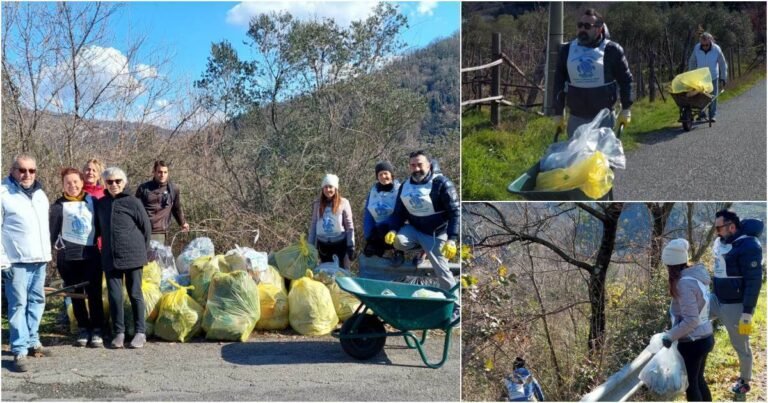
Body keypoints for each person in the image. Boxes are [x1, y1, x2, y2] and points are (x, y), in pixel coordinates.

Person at [1, 154, 52, 372]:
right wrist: (3, 262)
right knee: (18, 305)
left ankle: (33, 341)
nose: (27, 174)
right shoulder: (3, 193)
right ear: (12, 170)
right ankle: (19, 349)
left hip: (40, 259)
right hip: (17, 261)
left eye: (32, 170)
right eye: (22, 170)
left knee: (37, 301)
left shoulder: (41, 194)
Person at [385, 150, 460, 291]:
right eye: (413, 165)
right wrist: (393, 229)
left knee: (442, 271)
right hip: (415, 229)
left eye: (420, 164)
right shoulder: (405, 186)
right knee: (398, 241)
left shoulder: (442, 184)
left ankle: (453, 303)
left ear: (429, 165)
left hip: (436, 233)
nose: (416, 169)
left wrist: (452, 239)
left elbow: (455, 212)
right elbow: (398, 213)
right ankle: (422, 249)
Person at [553, 8, 633, 137]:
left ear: (599, 29)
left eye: (587, 26)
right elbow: (558, 82)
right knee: (577, 156)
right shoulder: (567, 50)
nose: (582, 29)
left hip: (604, 117)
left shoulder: (612, 50)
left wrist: (626, 109)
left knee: (602, 156)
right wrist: (558, 113)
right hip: (576, 118)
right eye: (580, 25)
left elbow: (626, 80)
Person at [96, 167, 151, 349]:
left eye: (118, 181)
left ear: (124, 182)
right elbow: (97, 229)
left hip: (133, 255)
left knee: (135, 293)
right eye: (110, 182)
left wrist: (143, 251)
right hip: (110, 257)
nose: (114, 185)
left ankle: (140, 332)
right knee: (114, 296)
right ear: (105, 183)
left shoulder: (133, 202)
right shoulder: (101, 203)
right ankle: (118, 332)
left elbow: (146, 228)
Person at [49, 168, 104, 348]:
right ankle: (83, 327)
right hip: (69, 258)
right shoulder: (58, 206)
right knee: (76, 294)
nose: (72, 185)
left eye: (75, 182)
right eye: (68, 183)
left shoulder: (93, 201)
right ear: (63, 185)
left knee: (94, 293)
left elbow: (100, 226)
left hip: (91, 254)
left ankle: (97, 329)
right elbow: (52, 232)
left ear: (82, 182)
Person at [709, 209, 763, 395]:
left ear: (731, 226)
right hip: (716, 298)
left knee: (741, 345)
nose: (716, 231)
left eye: (719, 227)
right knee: (692, 316)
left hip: (736, 305)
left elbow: (754, 281)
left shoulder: (749, 246)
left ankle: (744, 381)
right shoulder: (722, 242)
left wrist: (747, 312)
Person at [660, 238, 714, 402]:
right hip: (705, 336)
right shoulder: (697, 277)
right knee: (698, 380)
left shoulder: (684, 283)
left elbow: (691, 320)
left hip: (693, 341)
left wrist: (670, 335)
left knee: (691, 385)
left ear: (671, 264)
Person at [135, 160, 189, 244]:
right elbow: (135, 210)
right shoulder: (143, 188)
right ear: (154, 172)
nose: (162, 175)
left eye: (165, 172)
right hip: (143, 231)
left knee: (158, 257)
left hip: (160, 233)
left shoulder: (173, 189)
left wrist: (182, 223)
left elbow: (176, 208)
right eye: (159, 172)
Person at [308, 174, 355, 269]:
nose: (328, 190)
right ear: (322, 188)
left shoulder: (343, 203)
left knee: (340, 274)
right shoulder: (317, 203)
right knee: (325, 274)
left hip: (339, 245)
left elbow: (349, 226)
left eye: (330, 187)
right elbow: (313, 225)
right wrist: (310, 247)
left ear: (335, 188)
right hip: (323, 246)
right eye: (325, 187)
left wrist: (351, 245)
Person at [362, 161, 404, 265]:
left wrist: (387, 226)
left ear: (391, 175)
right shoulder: (373, 191)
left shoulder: (400, 189)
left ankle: (398, 252)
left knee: (387, 233)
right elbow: (368, 213)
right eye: (380, 174)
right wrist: (369, 235)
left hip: (395, 228)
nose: (383, 176)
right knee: (369, 254)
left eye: (386, 173)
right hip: (377, 229)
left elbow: (401, 213)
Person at [688, 32, 727, 122]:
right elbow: (692, 61)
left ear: (710, 42)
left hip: (713, 76)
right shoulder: (697, 48)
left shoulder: (716, 49)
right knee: (701, 97)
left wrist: (723, 77)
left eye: (706, 45)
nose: (705, 46)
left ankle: (712, 115)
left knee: (712, 97)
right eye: (703, 45)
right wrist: (691, 75)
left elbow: (722, 64)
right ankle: (701, 114)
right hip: (700, 77)